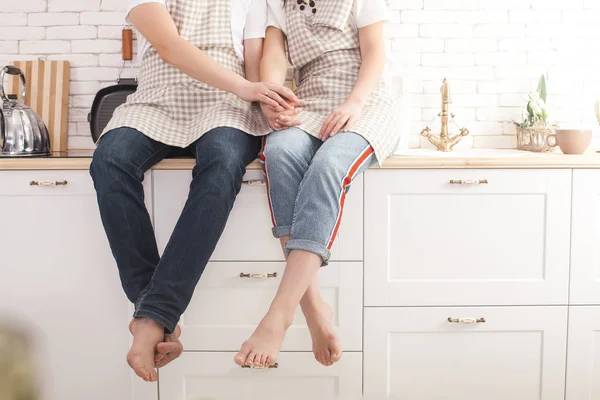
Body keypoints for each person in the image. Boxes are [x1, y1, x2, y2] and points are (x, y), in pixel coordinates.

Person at [90, 0, 299, 383]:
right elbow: (168, 46)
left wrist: (267, 103)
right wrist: (248, 86)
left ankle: (151, 318)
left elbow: (254, 65)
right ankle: (155, 313)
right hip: (156, 99)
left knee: (222, 164)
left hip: (223, 104)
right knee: (109, 160)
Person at [234, 0, 400, 368]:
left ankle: (279, 314)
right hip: (309, 103)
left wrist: (355, 103)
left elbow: (375, 52)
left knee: (328, 165)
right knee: (278, 153)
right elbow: (274, 57)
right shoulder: (281, 3)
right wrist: (274, 101)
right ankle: (313, 306)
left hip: (365, 102)